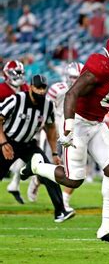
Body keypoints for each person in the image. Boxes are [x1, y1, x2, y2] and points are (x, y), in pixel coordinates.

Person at [22, 32, 109, 245]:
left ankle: (108, 227)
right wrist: (67, 128)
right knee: (73, 179)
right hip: (77, 121)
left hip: (96, 124)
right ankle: (37, 167)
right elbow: (72, 94)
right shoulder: (101, 65)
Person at [1, 75, 74, 222]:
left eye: (43, 88)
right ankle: (23, 172)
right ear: (30, 87)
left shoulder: (48, 105)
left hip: (28, 145)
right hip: (9, 142)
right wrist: (3, 143)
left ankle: (60, 211)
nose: (41, 91)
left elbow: (51, 127)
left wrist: (54, 152)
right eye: (38, 87)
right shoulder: (17, 99)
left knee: (48, 172)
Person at [31, 62, 84, 211]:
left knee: (76, 169)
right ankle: (37, 180)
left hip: (74, 134)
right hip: (56, 133)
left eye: (78, 77)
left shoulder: (86, 91)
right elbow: (45, 110)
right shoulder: (58, 89)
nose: (75, 80)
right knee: (51, 167)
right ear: (67, 76)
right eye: (73, 77)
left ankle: (65, 201)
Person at [0, 60, 30, 204]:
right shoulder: (2, 90)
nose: (18, 76)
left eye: (20, 72)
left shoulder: (25, 88)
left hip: (17, 132)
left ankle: (15, 184)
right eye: (15, 73)